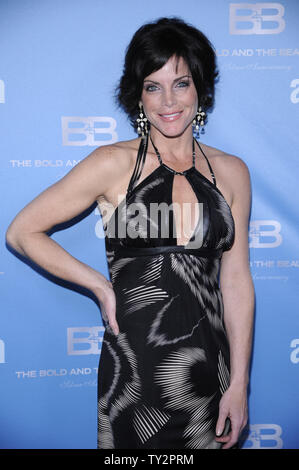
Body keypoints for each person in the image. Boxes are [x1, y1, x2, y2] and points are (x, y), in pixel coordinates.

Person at [6, 17, 255, 450]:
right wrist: (100, 287)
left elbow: (235, 281)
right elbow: (22, 231)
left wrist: (239, 383)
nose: (168, 101)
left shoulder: (232, 172)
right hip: (135, 377)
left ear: (200, 87)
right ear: (137, 95)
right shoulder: (112, 163)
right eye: (152, 87)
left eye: (180, 84)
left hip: (210, 374)